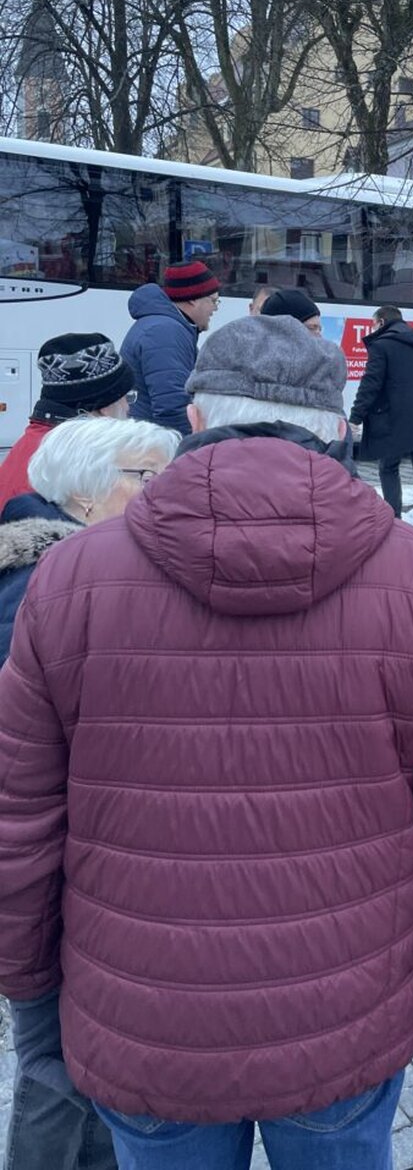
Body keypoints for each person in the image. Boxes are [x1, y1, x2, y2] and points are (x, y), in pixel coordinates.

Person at [0, 314, 413, 1170]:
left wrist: (29, 991)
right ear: (340, 429)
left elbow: (17, 821)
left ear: (196, 421)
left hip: (146, 1019)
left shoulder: (69, 578)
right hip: (341, 1017)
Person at [0, 416, 177, 1170]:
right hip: (58, 875)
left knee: (92, 1068)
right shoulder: (45, 588)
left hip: (83, 869)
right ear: (83, 493)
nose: (163, 491)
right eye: (146, 477)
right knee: (57, 1070)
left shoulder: (61, 565)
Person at [0, 334, 134, 509]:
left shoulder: (37, 442)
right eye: (126, 398)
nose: (128, 407)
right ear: (105, 406)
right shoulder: (76, 461)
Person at [349, 304, 413, 519]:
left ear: (382, 323)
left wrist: (356, 416)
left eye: (373, 324)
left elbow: (371, 384)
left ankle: (393, 519)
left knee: (388, 466)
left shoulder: (381, 345)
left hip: (394, 419)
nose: (372, 329)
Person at [120, 261, 220, 435]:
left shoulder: (164, 326)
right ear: (192, 299)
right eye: (213, 300)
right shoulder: (165, 333)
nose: (215, 308)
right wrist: (194, 449)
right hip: (151, 444)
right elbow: (173, 407)